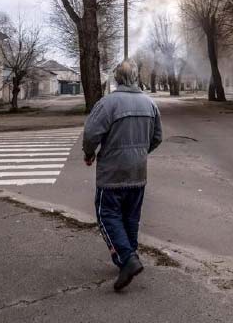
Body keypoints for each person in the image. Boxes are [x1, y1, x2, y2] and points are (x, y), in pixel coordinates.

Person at [83, 59, 163, 291]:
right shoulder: (150, 104)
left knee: (107, 215)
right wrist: (140, 153)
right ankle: (128, 257)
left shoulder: (108, 103)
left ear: (117, 79)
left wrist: (90, 154)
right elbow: (157, 137)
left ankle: (127, 259)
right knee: (130, 217)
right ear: (136, 77)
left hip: (112, 173)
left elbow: (91, 133)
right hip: (138, 172)